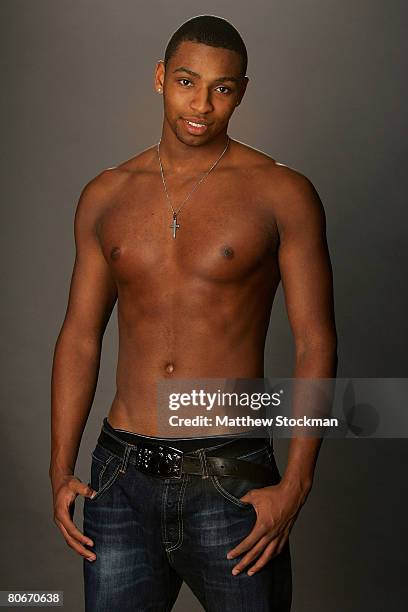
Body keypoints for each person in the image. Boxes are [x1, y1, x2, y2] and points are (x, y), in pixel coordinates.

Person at [49, 14, 337, 612]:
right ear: (159, 78)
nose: (201, 104)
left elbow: (315, 344)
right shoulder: (106, 194)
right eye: (186, 81)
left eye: (222, 88)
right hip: (119, 478)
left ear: (242, 92)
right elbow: (80, 337)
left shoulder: (281, 192)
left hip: (229, 475)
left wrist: (297, 484)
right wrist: (60, 468)